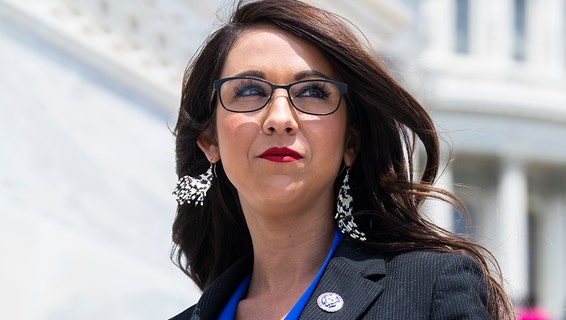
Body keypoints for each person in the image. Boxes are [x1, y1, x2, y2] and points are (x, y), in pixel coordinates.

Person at [170, 0, 515, 319]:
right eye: (248, 91)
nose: (279, 118)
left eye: (313, 92)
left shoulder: (428, 287)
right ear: (210, 140)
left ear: (351, 141)